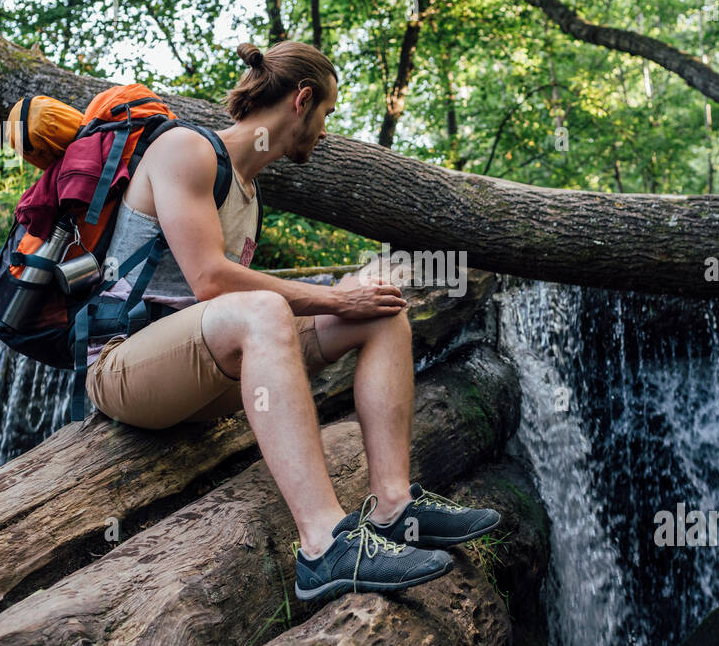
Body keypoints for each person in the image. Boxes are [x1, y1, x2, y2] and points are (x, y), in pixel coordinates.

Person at [84, 40, 499, 601]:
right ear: (302, 100)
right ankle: (324, 547)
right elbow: (210, 280)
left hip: (203, 376)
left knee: (380, 308)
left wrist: (349, 299)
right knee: (269, 309)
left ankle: (394, 506)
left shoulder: (249, 192)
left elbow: (227, 302)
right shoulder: (186, 149)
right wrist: (330, 300)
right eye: (326, 113)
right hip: (124, 371)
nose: (326, 131)